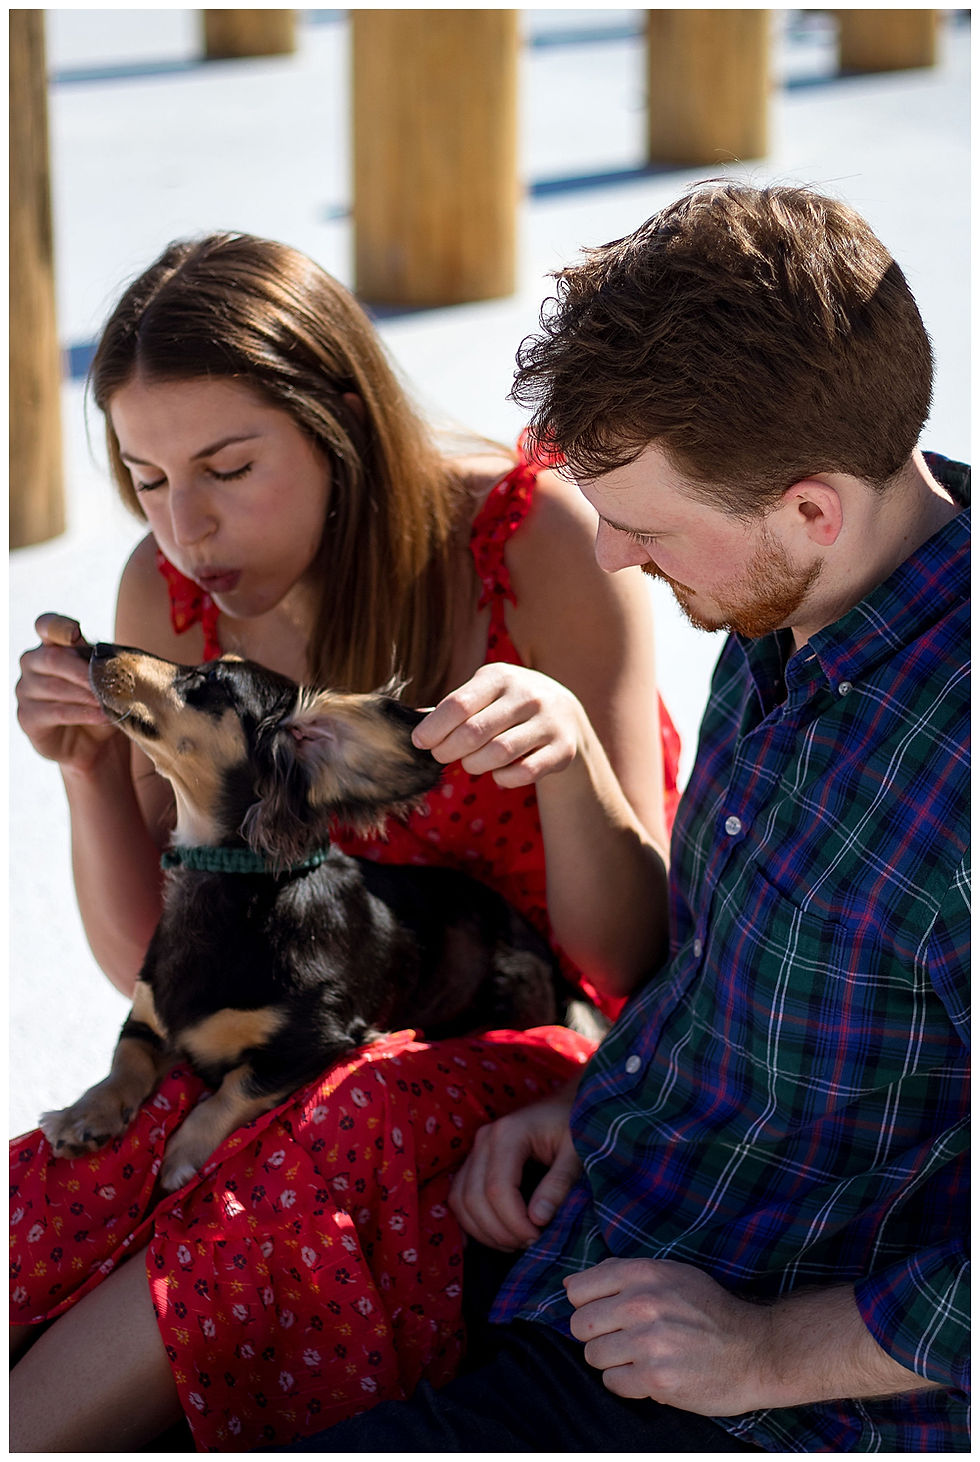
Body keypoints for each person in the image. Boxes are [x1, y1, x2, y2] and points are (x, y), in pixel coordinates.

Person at [283, 182, 970, 1453]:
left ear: (810, 506)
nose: (605, 557)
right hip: (594, 1214)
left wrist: (767, 1351)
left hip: (747, 1385)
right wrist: (620, 1098)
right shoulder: (796, 597)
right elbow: (749, 975)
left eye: (643, 526)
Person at [9, 233, 681, 1451]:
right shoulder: (164, 601)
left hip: (530, 1037)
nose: (184, 528)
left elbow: (630, 958)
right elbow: (164, 976)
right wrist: (93, 775)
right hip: (300, 1022)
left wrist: (570, 756)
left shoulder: (534, 544)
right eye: (147, 478)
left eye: (227, 465)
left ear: (339, 426)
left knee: (329, 1122)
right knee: (96, 1153)